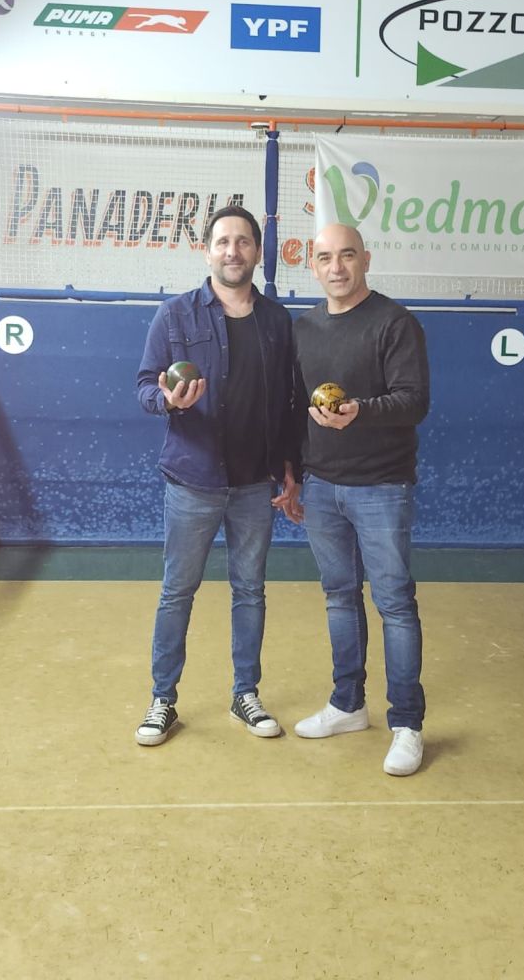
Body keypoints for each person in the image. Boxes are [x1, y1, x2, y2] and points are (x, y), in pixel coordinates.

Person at [135, 206, 298, 746]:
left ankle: (245, 693)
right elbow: (144, 386)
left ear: (257, 252)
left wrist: (290, 467)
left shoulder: (277, 322)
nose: (233, 251)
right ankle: (163, 700)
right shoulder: (175, 316)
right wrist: (168, 400)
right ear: (207, 251)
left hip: (254, 485)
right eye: (223, 241)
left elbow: (289, 402)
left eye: (243, 241)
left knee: (250, 591)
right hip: (192, 482)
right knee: (177, 591)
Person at [287, 223, 430, 776]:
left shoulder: (395, 323)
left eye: (347, 255)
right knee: (339, 597)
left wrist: (359, 411)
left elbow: (414, 401)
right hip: (322, 487)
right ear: (313, 265)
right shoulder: (304, 328)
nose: (337, 267)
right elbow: (295, 407)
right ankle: (348, 704)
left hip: (382, 487)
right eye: (325, 258)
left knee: (394, 603)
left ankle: (407, 724)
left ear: (365, 260)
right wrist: (294, 474)